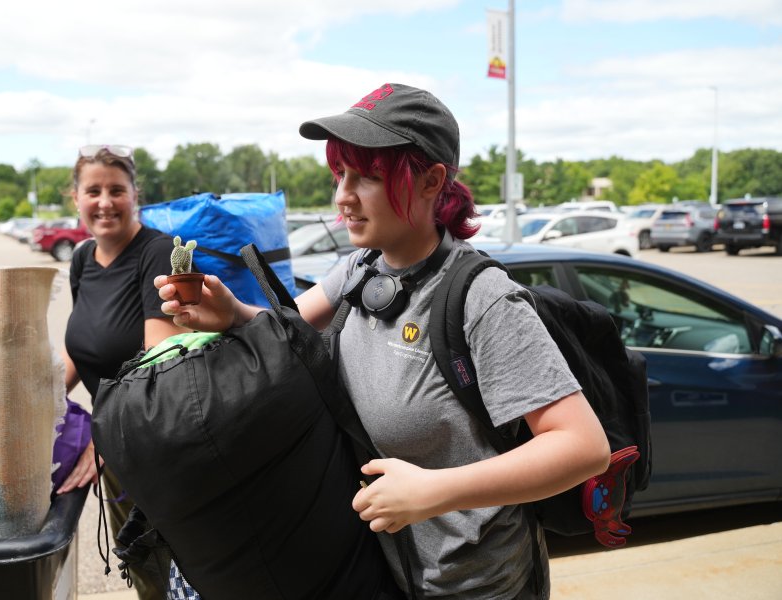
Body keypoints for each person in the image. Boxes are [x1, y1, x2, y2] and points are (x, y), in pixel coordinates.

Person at [156, 83, 610, 599]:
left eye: (369, 176)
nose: (342, 196)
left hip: (473, 585)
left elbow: (582, 447)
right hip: (386, 572)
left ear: (432, 181)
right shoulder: (359, 268)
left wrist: (434, 492)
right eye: (341, 173)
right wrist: (231, 312)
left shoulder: (480, 298)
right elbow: (291, 334)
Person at [56, 144, 193, 600]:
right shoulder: (81, 259)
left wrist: (100, 438)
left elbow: (158, 360)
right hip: (115, 445)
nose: (105, 202)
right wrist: (40, 400)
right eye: (92, 190)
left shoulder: (157, 254)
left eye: (117, 190)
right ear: (74, 197)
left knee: (177, 564)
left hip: (160, 443)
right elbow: (85, 346)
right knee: (140, 560)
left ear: (136, 194)